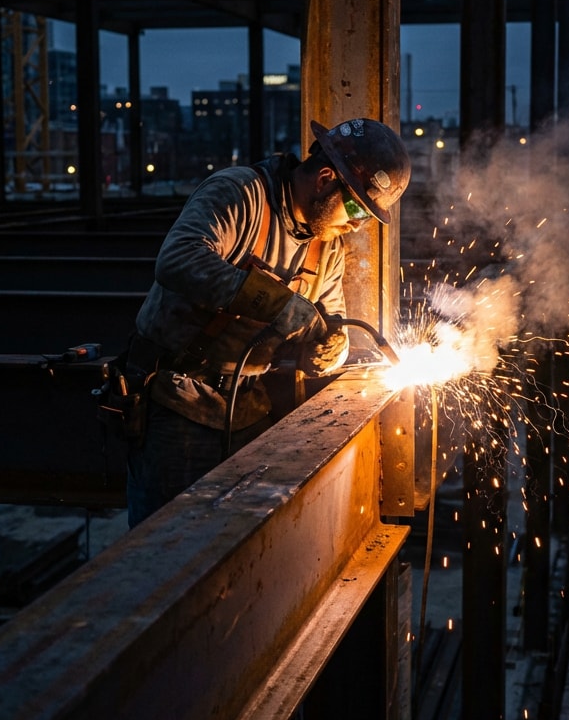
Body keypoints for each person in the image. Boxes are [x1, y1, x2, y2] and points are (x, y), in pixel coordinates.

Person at [123, 116, 411, 527]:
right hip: (176, 403)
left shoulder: (325, 248)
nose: (355, 225)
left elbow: (330, 325)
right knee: (168, 548)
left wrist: (329, 350)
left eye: (365, 217)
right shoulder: (240, 194)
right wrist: (277, 304)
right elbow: (177, 260)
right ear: (325, 178)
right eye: (354, 209)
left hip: (247, 410)